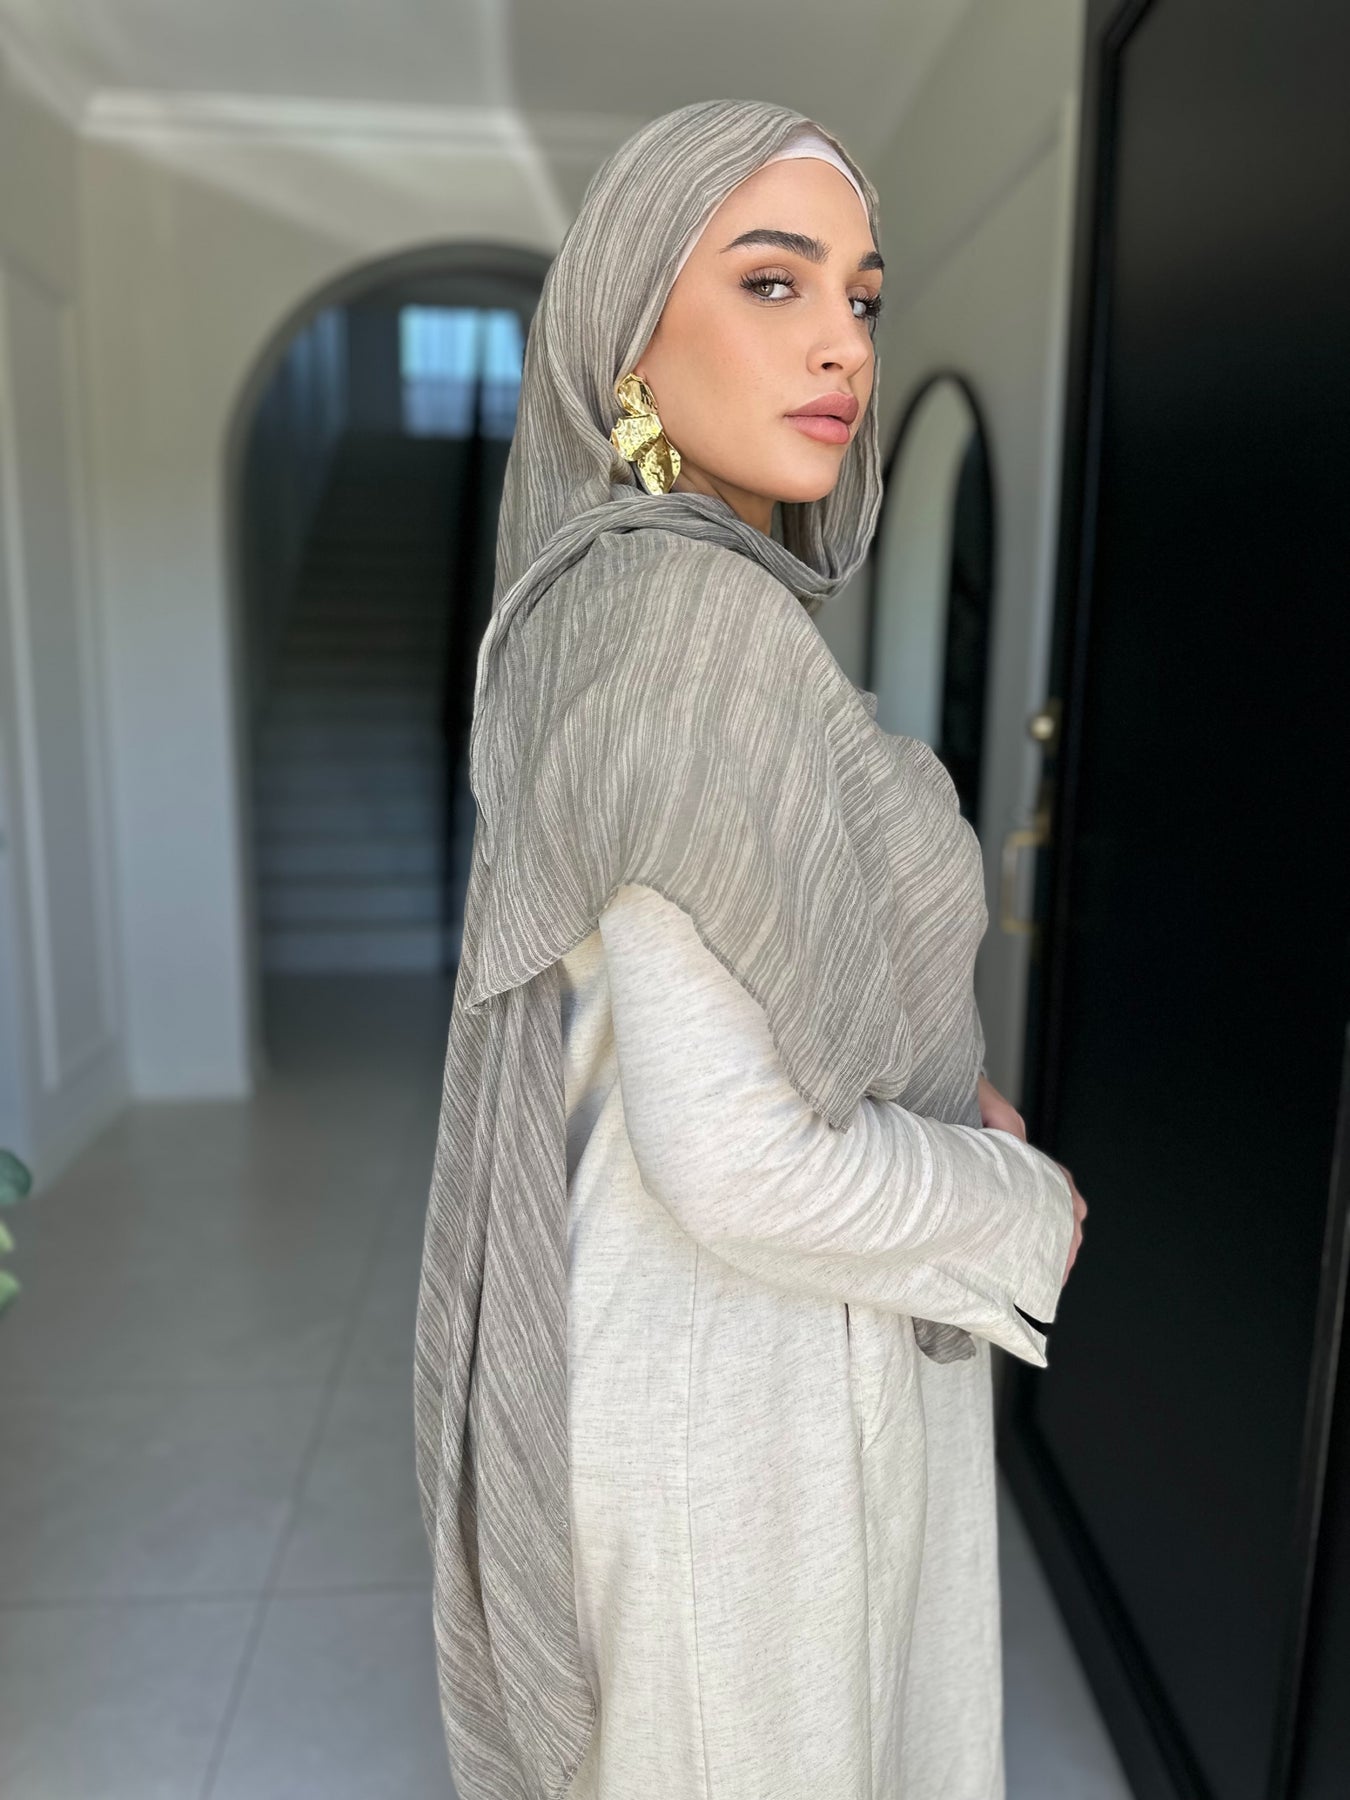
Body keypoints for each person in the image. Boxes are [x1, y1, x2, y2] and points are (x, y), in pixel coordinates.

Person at [413, 97, 1087, 1800]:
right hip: (738, 1418)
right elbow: (741, 1169)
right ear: (629, 338)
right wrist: (1017, 1202)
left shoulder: (635, 602)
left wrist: (941, 1097)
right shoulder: (682, 626)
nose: (840, 343)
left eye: (860, 295)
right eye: (771, 283)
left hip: (711, 1377)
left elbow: (723, 997)